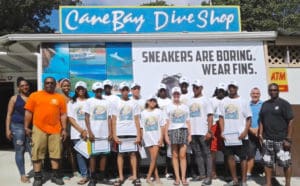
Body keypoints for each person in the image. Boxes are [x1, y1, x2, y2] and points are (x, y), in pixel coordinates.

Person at [24, 77, 67, 186]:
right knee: (37, 154)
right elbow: (28, 112)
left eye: (52, 83)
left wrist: (64, 129)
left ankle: (55, 176)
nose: (49, 84)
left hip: (56, 129)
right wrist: (26, 127)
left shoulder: (60, 98)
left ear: (55, 85)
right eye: (47, 83)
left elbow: (63, 115)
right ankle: (38, 177)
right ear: (44, 84)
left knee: (56, 154)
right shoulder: (34, 95)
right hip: (38, 129)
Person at [259, 83, 294, 186]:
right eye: (271, 90)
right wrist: (260, 134)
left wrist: (288, 138)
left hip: (281, 140)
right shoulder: (265, 104)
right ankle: (268, 183)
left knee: (286, 163)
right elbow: (261, 119)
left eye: (274, 90)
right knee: (267, 163)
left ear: (278, 91)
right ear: (268, 91)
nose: (272, 92)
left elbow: (291, 121)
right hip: (267, 139)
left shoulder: (284, 104)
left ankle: (287, 184)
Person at [218, 81, 252, 186]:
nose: (231, 89)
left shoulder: (243, 101)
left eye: (233, 87)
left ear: (237, 88)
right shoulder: (223, 101)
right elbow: (221, 117)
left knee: (243, 158)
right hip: (228, 136)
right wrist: (222, 131)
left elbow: (249, 118)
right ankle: (235, 180)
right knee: (230, 157)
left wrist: (245, 131)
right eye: (230, 87)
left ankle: (244, 181)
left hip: (241, 136)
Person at [111, 82, 142, 186]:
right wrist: (114, 135)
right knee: (120, 155)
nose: (125, 91)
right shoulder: (116, 103)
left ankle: (135, 176)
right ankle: (121, 177)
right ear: (120, 91)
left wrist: (139, 135)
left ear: (129, 91)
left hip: (132, 132)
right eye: (123, 90)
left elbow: (137, 120)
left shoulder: (134, 103)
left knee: (133, 155)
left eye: (126, 89)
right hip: (120, 133)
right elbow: (113, 120)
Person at [84, 82, 113, 186]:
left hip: (105, 134)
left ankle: (102, 177)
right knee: (93, 156)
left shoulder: (107, 102)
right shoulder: (89, 101)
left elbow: (109, 118)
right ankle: (92, 178)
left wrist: (111, 132)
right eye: (97, 90)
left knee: (104, 156)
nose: (99, 92)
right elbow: (86, 117)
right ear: (93, 91)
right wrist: (90, 132)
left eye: (100, 90)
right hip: (93, 135)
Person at [5, 77, 31, 183]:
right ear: (18, 88)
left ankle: (38, 172)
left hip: (30, 128)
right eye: (22, 85)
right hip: (17, 127)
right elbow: (9, 115)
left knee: (33, 151)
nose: (25, 87)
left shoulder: (33, 97)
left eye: (26, 85)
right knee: (20, 151)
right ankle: (23, 175)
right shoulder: (14, 98)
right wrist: (7, 129)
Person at [188, 80, 213, 185]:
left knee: (207, 154)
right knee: (197, 154)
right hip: (193, 132)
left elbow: (210, 116)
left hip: (203, 131)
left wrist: (209, 131)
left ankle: (209, 177)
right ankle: (202, 174)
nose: (195, 89)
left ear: (201, 88)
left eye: (197, 87)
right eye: (194, 87)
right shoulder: (189, 101)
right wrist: (189, 133)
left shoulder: (206, 100)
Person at [165, 87, 192, 186]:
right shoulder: (168, 107)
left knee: (183, 155)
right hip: (172, 131)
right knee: (174, 155)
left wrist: (189, 134)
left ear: (180, 95)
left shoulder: (185, 107)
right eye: (174, 94)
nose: (176, 95)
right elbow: (167, 122)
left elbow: (188, 121)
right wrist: (166, 135)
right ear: (172, 95)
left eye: (178, 94)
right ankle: (177, 178)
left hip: (183, 130)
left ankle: (183, 178)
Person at [67, 81, 89, 185]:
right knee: (80, 154)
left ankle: (92, 174)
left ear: (85, 90)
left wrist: (87, 131)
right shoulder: (71, 103)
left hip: (89, 133)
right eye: (79, 88)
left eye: (82, 88)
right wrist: (81, 131)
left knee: (90, 153)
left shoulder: (90, 101)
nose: (81, 90)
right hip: (77, 133)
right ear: (76, 90)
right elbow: (71, 118)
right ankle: (84, 175)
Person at [140, 97, 165, 184]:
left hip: (157, 138)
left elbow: (162, 125)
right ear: (147, 101)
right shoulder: (143, 113)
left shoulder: (159, 111)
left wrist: (162, 138)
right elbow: (141, 127)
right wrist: (142, 138)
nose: (153, 102)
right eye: (151, 100)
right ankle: (156, 177)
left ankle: (148, 177)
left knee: (154, 158)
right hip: (147, 138)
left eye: (154, 100)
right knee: (153, 159)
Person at [59, 78, 79, 179]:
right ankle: (62, 173)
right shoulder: (58, 98)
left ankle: (75, 171)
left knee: (71, 150)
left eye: (68, 85)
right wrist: (62, 129)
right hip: (61, 128)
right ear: (60, 87)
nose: (66, 87)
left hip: (71, 127)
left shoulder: (72, 99)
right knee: (61, 151)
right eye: (64, 86)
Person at [210, 83, 227, 179]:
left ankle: (227, 172)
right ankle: (213, 172)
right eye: (219, 90)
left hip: (225, 127)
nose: (220, 92)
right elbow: (209, 115)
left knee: (227, 151)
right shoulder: (211, 100)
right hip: (214, 127)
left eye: (222, 91)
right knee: (213, 151)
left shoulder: (227, 100)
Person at [156, 83, 173, 179]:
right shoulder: (156, 101)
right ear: (159, 91)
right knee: (156, 151)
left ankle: (168, 171)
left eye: (164, 90)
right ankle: (156, 172)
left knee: (168, 152)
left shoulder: (169, 101)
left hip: (167, 129)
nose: (162, 92)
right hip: (157, 130)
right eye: (161, 90)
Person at [247, 87, 263, 179]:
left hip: (262, 134)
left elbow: (266, 119)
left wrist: (259, 129)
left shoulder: (264, 105)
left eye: (257, 93)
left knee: (265, 155)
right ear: (250, 94)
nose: (255, 95)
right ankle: (248, 174)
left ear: (259, 95)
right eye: (253, 93)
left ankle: (268, 174)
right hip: (250, 134)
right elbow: (244, 119)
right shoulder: (247, 105)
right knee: (250, 155)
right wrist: (250, 129)